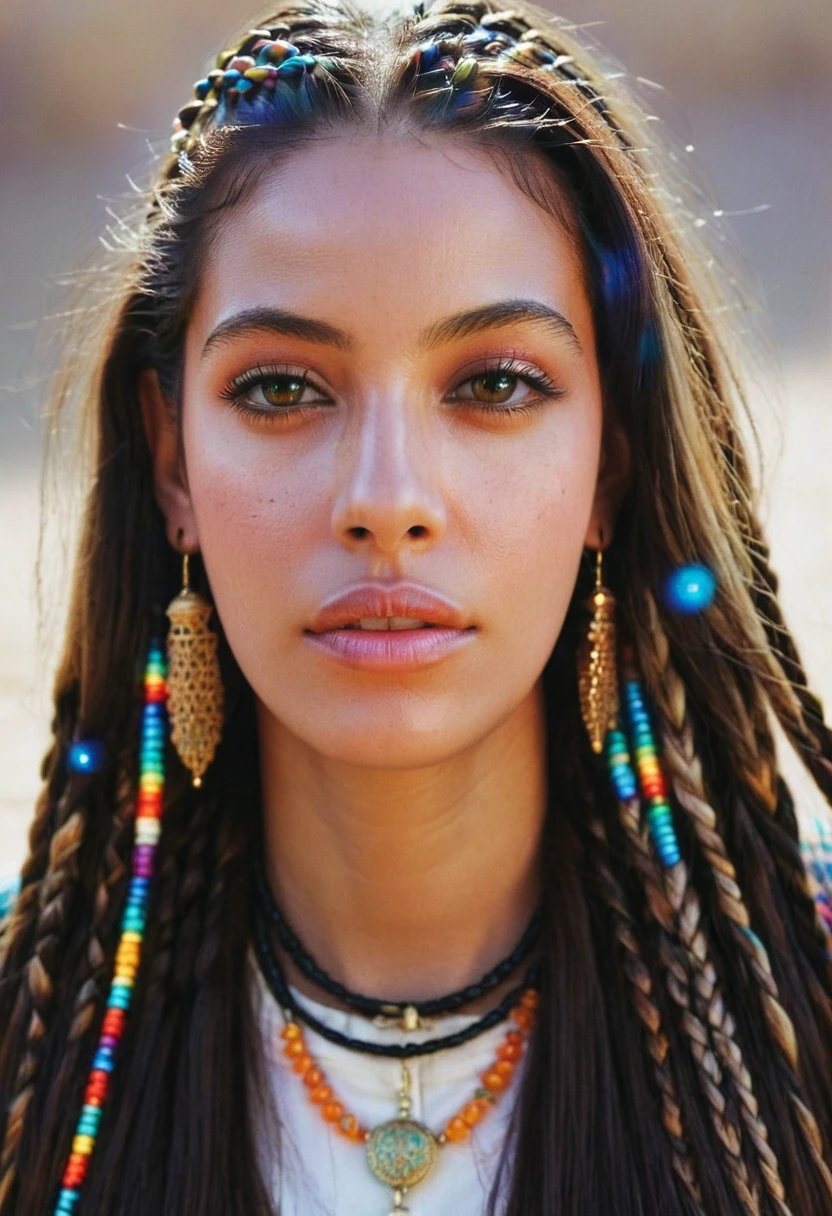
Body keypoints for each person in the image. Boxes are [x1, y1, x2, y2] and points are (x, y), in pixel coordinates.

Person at [1, 0, 832, 1211]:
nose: (385, 500)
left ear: (612, 464)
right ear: (171, 458)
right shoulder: (35, 1064)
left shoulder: (801, 1030)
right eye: (283, 388)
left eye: (494, 383)